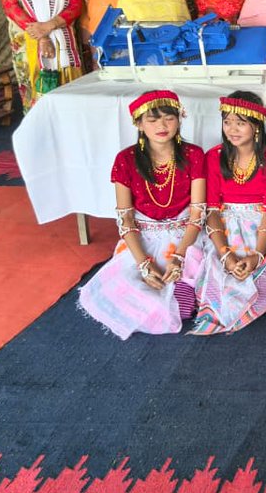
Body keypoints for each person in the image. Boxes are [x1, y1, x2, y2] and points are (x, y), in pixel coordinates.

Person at [78, 90, 207, 338]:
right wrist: (144, 264)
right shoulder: (125, 160)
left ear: (179, 119)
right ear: (138, 123)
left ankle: (179, 291)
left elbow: (197, 214)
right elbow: (125, 220)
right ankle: (150, 292)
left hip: (185, 237)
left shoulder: (193, 155)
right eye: (152, 119)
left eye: (169, 118)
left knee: (184, 304)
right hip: (143, 238)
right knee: (118, 288)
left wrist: (179, 256)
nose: (162, 125)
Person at [191, 92, 266, 335]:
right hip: (223, 227)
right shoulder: (214, 156)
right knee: (217, 268)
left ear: (256, 126)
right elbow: (211, 210)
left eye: (241, 122)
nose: (232, 129)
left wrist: (257, 254)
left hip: (261, 228)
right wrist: (224, 254)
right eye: (227, 121)